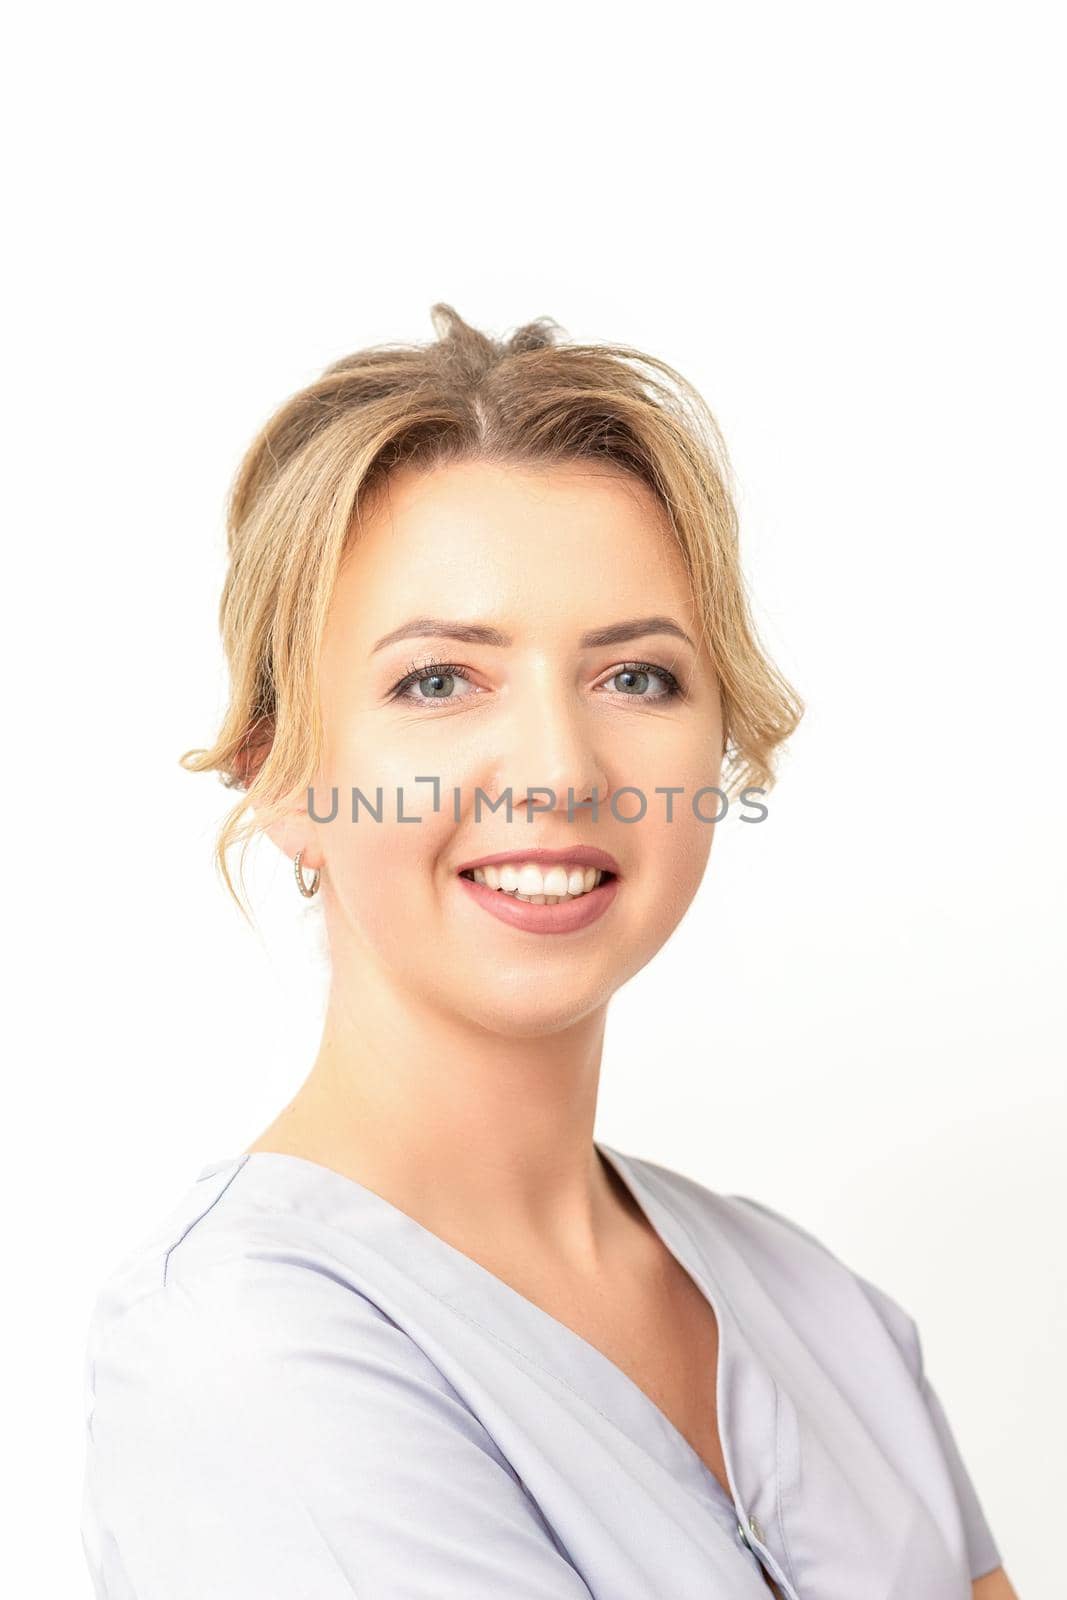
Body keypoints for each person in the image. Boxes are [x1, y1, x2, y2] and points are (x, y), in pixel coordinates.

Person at [80, 305, 1016, 1599]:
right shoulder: (244, 1354)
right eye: (438, 682)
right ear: (278, 770)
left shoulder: (823, 1315)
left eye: (635, 678)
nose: (561, 773)